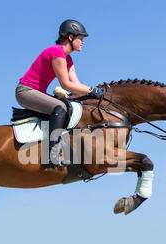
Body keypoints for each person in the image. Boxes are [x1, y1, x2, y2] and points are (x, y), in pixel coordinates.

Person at [15, 19, 104, 171]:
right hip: (25, 91)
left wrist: (93, 92)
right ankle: (51, 154)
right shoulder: (57, 52)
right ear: (70, 37)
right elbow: (66, 85)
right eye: (81, 38)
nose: (83, 42)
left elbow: (75, 85)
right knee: (60, 107)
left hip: (36, 92)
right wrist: (90, 90)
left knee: (71, 106)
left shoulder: (68, 58)